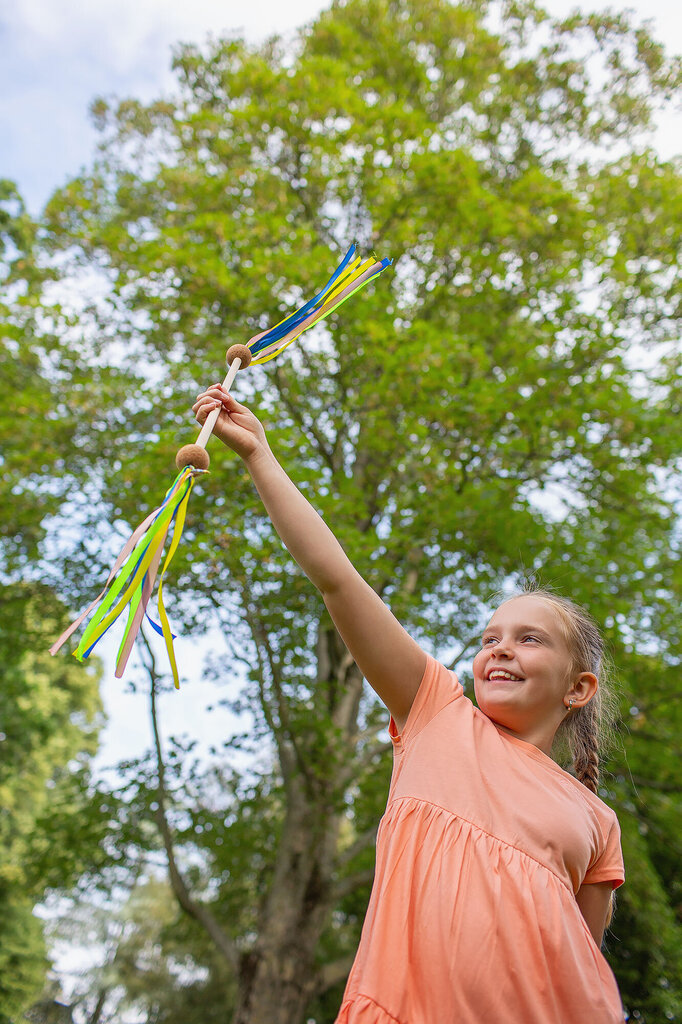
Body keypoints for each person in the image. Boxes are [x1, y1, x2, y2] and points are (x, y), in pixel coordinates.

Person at [193, 383, 626, 1024]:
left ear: (578, 688)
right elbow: (336, 578)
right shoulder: (437, 712)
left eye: (528, 639)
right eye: (489, 639)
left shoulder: (597, 821)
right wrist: (259, 454)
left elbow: (579, 955)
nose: (499, 651)